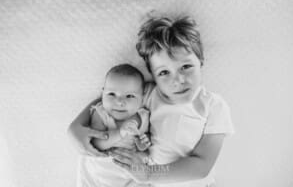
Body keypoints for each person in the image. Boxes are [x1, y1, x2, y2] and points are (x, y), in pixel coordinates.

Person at [68, 15, 234, 187]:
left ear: (200, 61)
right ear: (153, 75)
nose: (178, 80)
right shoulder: (149, 94)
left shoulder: (213, 106)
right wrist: (75, 127)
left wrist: (149, 174)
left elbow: (202, 165)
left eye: (186, 67)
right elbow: (113, 98)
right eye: (164, 73)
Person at [70, 64, 151, 187]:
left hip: (128, 175)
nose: (119, 102)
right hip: (101, 173)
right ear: (102, 93)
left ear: (141, 98)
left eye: (129, 96)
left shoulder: (143, 116)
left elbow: (145, 148)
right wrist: (120, 132)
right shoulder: (101, 113)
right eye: (112, 94)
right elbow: (97, 144)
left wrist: (143, 144)